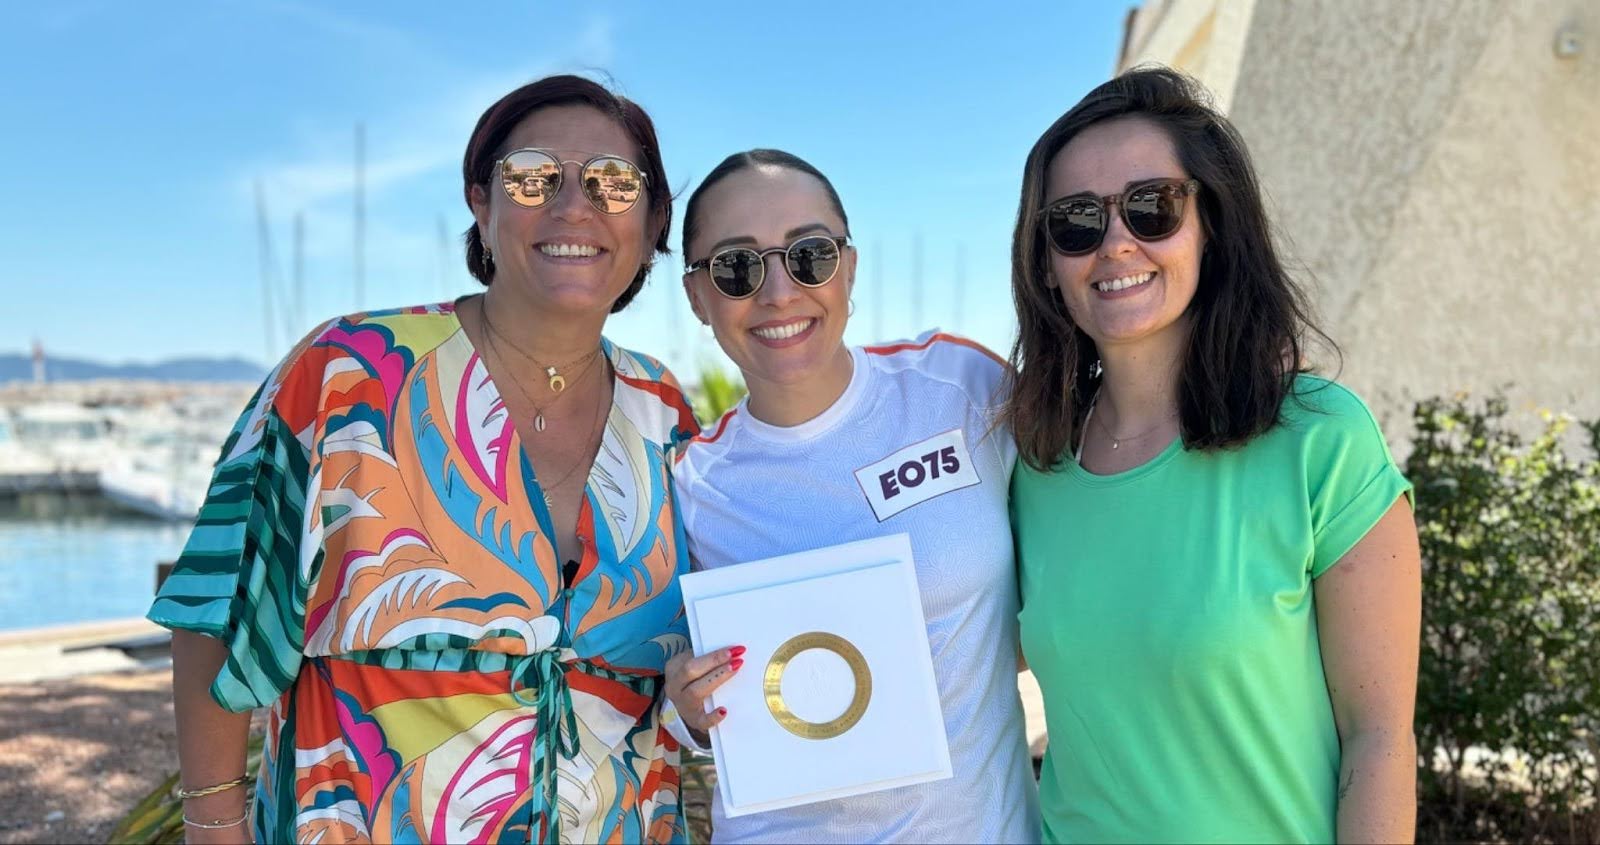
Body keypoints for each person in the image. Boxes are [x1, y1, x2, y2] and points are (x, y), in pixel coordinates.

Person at [148, 75, 700, 844]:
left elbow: (688, 659)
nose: (575, 205)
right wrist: (213, 824)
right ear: (482, 200)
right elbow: (219, 607)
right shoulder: (351, 373)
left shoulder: (664, 411)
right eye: (534, 176)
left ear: (651, 220)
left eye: (614, 183)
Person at [1004, 66, 1421, 843]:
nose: (1117, 242)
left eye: (1153, 207)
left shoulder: (1319, 440)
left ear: (1213, 224)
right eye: (1076, 222)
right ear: (1047, 261)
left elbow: (1380, 737)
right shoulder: (1033, 462)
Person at [662, 149, 1040, 842]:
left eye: (809, 254)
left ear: (850, 266)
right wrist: (688, 707)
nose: (778, 292)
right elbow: (664, 697)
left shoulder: (962, 388)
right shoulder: (687, 485)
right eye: (737, 267)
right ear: (697, 296)